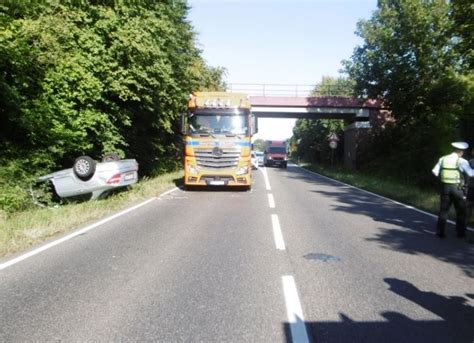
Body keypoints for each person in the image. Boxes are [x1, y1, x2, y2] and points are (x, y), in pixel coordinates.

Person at [432, 142, 474, 238]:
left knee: (443, 210)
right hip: (457, 188)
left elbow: (434, 171)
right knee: (461, 210)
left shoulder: (442, 158)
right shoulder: (462, 161)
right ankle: (460, 233)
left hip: (445, 188)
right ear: (461, 152)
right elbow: (471, 174)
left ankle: (440, 232)